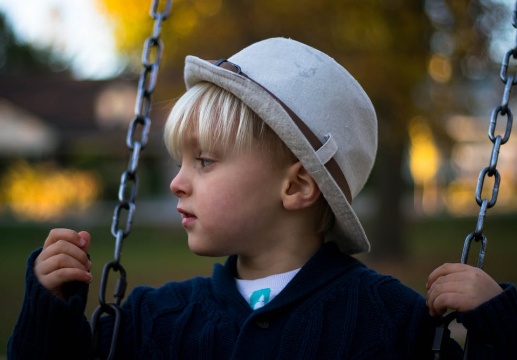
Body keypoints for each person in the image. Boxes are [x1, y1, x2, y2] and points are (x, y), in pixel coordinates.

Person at [8, 37, 517, 359]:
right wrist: (48, 311)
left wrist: (500, 323)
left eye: (204, 162)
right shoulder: (150, 321)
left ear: (296, 187)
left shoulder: (394, 324)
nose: (177, 182)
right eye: (181, 162)